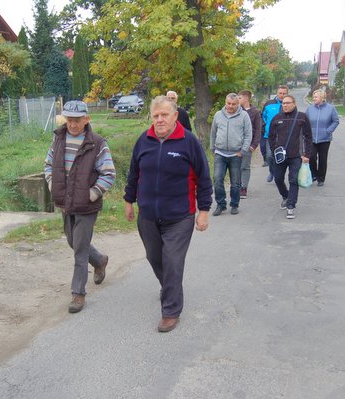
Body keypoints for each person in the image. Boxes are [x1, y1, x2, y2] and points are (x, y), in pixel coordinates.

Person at [124, 96, 212, 333]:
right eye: (156, 115)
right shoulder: (144, 141)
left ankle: (170, 310)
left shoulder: (188, 142)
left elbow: (204, 179)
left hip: (180, 215)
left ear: (175, 116)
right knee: (155, 258)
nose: (160, 119)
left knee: (173, 261)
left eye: (164, 115)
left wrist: (204, 211)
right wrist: (128, 201)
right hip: (148, 215)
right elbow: (134, 173)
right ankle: (170, 286)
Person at [44, 100, 116, 313]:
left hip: (86, 205)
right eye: (69, 120)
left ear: (87, 119)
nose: (73, 124)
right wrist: (51, 183)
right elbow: (48, 165)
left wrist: (92, 194)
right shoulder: (58, 139)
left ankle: (78, 293)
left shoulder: (97, 143)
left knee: (80, 249)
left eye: (77, 120)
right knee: (72, 241)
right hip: (65, 202)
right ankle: (100, 260)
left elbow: (109, 174)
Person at [268, 95, 312, 219]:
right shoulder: (277, 118)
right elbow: (270, 136)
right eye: (283, 103)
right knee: (278, 179)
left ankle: (291, 206)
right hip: (280, 156)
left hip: (296, 156)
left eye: (288, 103)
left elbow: (308, 137)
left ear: (294, 103)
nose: (285, 105)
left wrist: (306, 155)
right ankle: (286, 196)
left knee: (293, 180)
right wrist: (274, 150)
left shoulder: (302, 118)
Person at [209, 93, 252, 216]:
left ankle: (234, 204)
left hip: (236, 154)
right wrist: (213, 148)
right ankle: (220, 204)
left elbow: (248, 134)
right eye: (228, 103)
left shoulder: (244, 116)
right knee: (217, 179)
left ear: (238, 104)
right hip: (220, 153)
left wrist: (243, 151)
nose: (231, 106)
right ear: (225, 102)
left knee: (235, 182)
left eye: (233, 104)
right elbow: (213, 132)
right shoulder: (218, 115)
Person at [306, 89, 339, 187]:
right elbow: (305, 121)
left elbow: (336, 121)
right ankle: (314, 174)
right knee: (311, 157)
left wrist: (328, 131)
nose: (313, 98)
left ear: (322, 98)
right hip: (312, 138)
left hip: (325, 138)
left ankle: (321, 178)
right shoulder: (310, 109)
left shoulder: (331, 108)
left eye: (316, 97)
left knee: (322, 159)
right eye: (313, 96)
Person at [261, 86, 289, 182]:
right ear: (277, 93)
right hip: (270, 135)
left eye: (284, 93)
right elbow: (262, 116)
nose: (282, 95)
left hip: (284, 136)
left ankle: (279, 174)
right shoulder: (269, 104)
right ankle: (272, 172)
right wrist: (265, 126)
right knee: (269, 156)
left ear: (287, 94)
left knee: (282, 156)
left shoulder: (289, 104)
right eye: (280, 93)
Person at [238, 90, 262, 199]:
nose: (238, 100)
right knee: (236, 166)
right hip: (236, 144)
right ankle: (237, 186)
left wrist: (254, 145)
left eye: (240, 98)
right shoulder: (237, 111)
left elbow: (258, 129)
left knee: (245, 166)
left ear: (246, 99)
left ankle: (244, 187)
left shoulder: (255, 112)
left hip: (248, 144)